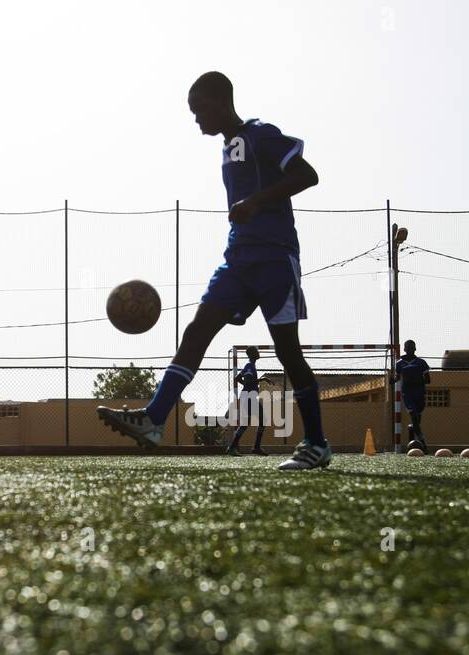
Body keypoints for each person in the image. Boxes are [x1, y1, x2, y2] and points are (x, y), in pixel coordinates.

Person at [97, 71, 330, 470]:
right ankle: (155, 419)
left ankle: (316, 443)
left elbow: (308, 175)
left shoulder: (259, 134)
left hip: (275, 258)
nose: (196, 119)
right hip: (237, 259)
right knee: (198, 329)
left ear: (223, 103)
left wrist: (256, 201)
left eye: (200, 109)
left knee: (288, 351)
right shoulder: (229, 146)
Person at [227, 345, 267, 455]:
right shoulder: (250, 366)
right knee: (257, 421)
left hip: (249, 396)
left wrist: (247, 385)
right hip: (249, 397)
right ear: (252, 354)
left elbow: (238, 378)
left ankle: (255, 447)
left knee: (260, 421)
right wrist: (261, 379)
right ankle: (234, 447)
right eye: (256, 351)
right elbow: (248, 380)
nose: (258, 353)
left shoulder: (249, 365)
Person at [394, 340, 431, 450]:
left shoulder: (421, 363)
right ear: (404, 349)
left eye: (412, 347)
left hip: (419, 394)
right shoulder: (399, 364)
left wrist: (417, 379)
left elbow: (428, 379)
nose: (410, 349)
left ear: (415, 349)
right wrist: (393, 380)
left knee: (416, 421)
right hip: (408, 394)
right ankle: (423, 444)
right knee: (414, 417)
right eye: (408, 348)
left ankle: (412, 431)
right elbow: (397, 377)